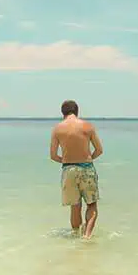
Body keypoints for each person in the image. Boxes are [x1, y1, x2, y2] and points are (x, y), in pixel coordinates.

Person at [49, 99, 103, 238]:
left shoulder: (57, 129)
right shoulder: (87, 126)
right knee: (91, 204)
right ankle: (87, 235)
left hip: (68, 170)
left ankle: (75, 235)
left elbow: (53, 155)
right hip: (86, 167)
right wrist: (88, 158)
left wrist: (67, 161)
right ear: (77, 111)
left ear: (63, 113)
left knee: (75, 205)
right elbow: (99, 150)